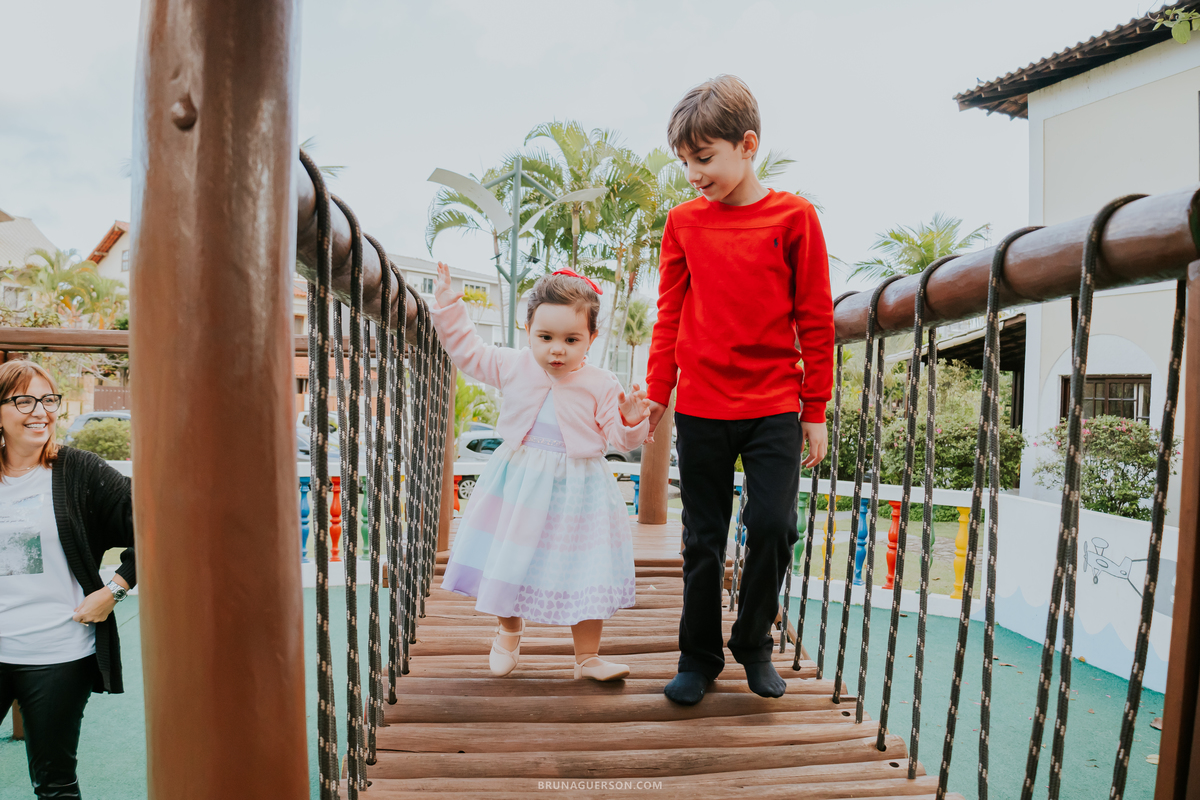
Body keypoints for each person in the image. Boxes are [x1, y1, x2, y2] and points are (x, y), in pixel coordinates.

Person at [645, 75, 834, 706]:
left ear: (747, 145)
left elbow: (815, 317)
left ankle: (753, 641)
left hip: (775, 403)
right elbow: (668, 313)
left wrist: (816, 410)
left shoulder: (795, 218)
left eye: (704, 158)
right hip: (701, 404)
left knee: (775, 525)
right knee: (703, 538)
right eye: (685, 162)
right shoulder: (683, 224)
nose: (694, 173)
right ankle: (697, 658)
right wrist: (657, 392)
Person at [431, 262, 650, 681]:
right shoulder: (514, 365)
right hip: (519, 484)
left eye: (572, 340)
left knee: (586, 569)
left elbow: (620, 442)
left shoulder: (603, 383)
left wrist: (631, 420)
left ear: (591, 339)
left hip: (580, 492)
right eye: (545, 337)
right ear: (527, 327)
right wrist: (449, 308)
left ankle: (587, 657)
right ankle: (508, 632)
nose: (557, 350)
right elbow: (469, 352)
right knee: (511, 559)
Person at [0, 360, 135, 798]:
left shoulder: (79, 472)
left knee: (55, 783)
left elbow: (160, 526)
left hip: (57, 653)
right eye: (24, 400)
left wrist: (114, 589)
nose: (40, 410)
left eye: (48, 399)